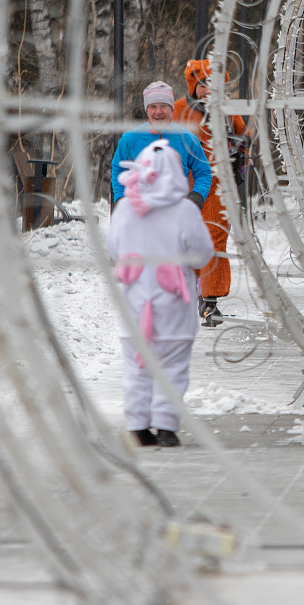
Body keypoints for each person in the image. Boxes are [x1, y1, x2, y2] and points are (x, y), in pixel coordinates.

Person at [108, 139, 215, 448]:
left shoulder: (126, 207)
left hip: (135, 304)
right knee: (172, 367)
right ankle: (166, 426)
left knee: (137, 366)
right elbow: (202, 254)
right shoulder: (184, 210)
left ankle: (138, 425)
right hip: (173, 305)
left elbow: (114, 248)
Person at [172, 59, 249, 328]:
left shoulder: (227, 112)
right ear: (193, 85)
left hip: (218, 186)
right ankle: (191, 288)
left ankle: (211, 301)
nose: (208, 90)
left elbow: (244, 140)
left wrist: (240, 151)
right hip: (185, 186)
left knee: (215, 239)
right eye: (203, 85)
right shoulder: (178, 111)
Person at [111, 81, 212, 209]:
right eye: (153, 106)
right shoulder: (130, 138)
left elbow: (204, 172)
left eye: (163, 106)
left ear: (171, 108)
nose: (158, 112)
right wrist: (121, 198)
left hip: (176, 212)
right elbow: (118, 169)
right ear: (146, 109)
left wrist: (197, 195)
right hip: (141, 212)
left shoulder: (187, 138)